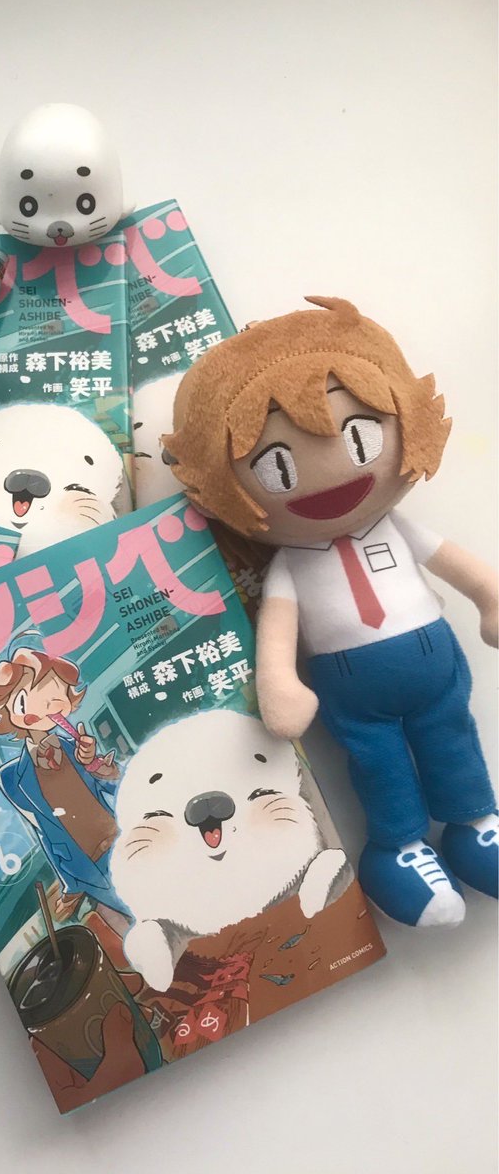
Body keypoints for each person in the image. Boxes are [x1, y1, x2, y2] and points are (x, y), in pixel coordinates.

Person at [165, 296, 498, 927]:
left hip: (434, 668)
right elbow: (276, 631)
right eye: (277, 466)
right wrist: (280, 683)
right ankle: (399, 848)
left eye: (360, 435)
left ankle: (476, 824)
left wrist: (490, 598)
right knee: (378, 761)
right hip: (353, 692)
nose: (335, 475)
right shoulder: (289, 565)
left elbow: (459, 565)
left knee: (451, 734)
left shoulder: (398, 527)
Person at [0, 648, 127, 925]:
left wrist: (101, 768)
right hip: (90, 871)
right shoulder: (11, 777)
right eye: (26, 700)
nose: (46, 709)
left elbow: (122, 789)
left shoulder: (79, 749)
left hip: (125, 843)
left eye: (55, 698)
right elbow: (44, 831)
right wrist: (70, 886)